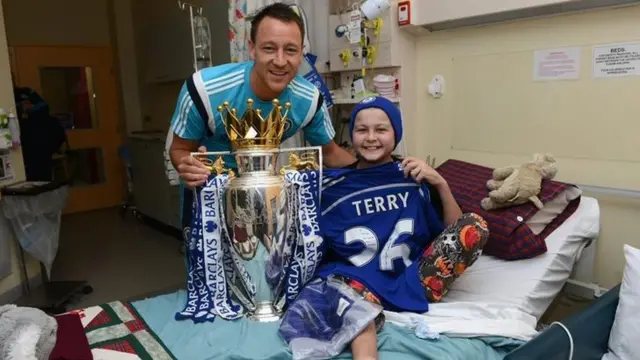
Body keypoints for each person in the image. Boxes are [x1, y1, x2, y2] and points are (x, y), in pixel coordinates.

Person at [278, 96, 490, 360]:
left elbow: (453, 229)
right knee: (352, 309)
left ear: (396, 133)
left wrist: (440, 183)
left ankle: (379, 306)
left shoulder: (415, 178)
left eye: (381, 129)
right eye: (361, 129)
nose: (371, 138)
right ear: (351, 134)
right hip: (359, 281)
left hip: (414, 278)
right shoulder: (333, 186)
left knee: (474, 225)